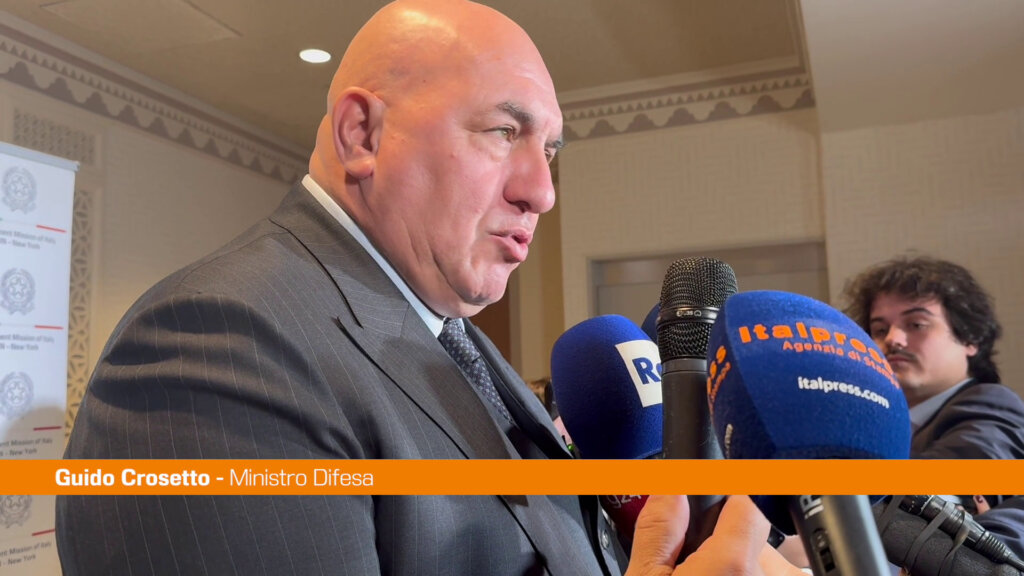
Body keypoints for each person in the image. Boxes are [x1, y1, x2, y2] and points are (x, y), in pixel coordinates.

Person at [56, 2, 803, 575]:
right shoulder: (212, 349)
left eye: (548, 151)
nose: (542, 191)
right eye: (504, 132)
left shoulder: (446, 332)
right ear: (362, 135)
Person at [843, 255, 1024, 560]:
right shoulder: (874, 428)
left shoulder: (992, 404)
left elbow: (949, 493)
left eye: (916, 324)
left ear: (970, 338)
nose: (893, 340)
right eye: (879, 330)